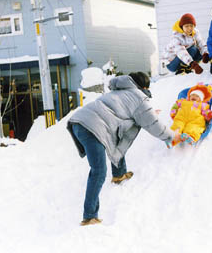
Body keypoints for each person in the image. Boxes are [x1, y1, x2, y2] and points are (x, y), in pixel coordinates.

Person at [66, 72, 181, 226]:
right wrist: (172, 136)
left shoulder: (118, 91)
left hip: (79, 122)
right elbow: (154, 125)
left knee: (117, 135)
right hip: (91, 127)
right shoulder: (138, 98)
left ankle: (119, 174)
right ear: (144, 87)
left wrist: (148, 113)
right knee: (98, 171)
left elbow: (126, 116)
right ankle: (89, 216)